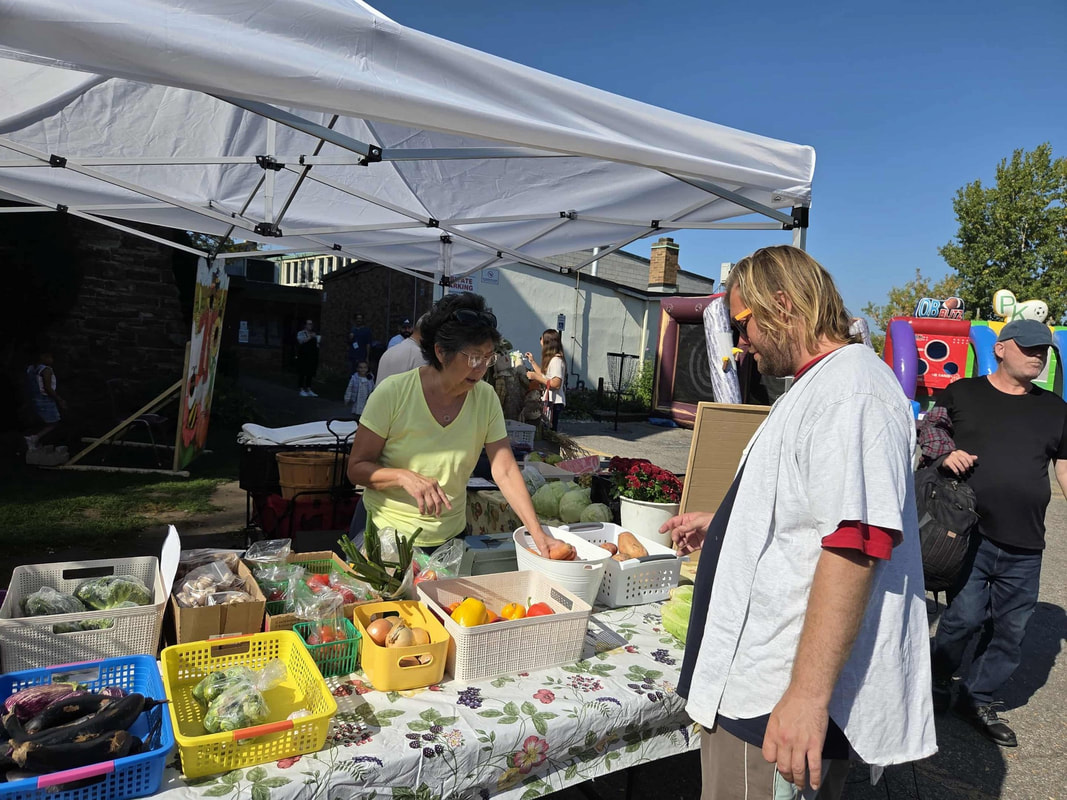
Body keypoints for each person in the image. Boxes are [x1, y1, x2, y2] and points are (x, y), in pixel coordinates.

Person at [659, 245, 935, 797]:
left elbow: (857, 543)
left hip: (774, 694)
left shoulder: (850, 392)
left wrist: (806, 698)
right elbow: (810, 509)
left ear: (782, 305)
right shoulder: (820, 385)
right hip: (761, 683)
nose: (742, 342)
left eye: (743, 322)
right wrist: (726, 523)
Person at [346, 292, 574, 558]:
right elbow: (357, 468)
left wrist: (538, 534)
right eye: (473, 357)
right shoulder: (393, 393)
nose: (481, 369)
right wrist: (402, 476)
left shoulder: (485, 397)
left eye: (487, 358)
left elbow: (505, 469)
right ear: (441, 352)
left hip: (448, 541)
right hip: (386, 538)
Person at [927, 318, 1067, 747]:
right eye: (1028, 347)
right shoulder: (962, 392)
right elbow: (929, 431)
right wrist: (947, 454)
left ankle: (978, 697)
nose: (1038, 356)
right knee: (964, 618)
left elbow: (1063, 463)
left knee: (1010, 630)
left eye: (1043, 350)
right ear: (1002, 348)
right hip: (969, 534)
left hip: (1026, 539)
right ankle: (934, 683)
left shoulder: (1056, 408)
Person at [525, 329, 566, 431]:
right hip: (551, 401)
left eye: (541, 339)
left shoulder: (556, 361)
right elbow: (545, 377)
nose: (540, 341)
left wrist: (535, 377)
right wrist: (532, 362)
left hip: (554, 403)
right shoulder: (553, 359)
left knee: (549, 431)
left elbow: (555, 384)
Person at [24, 350, 66, 449]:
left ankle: (37, 442)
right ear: (43, 357)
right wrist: (59, 399)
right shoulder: (46, 370)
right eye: (50, 357)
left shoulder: (30, 369)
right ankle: (34, 438)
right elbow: (48, 388)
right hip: (45, 400)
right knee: (54, 422)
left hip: (34, 398)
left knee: (43, 421)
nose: (52, 360)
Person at [377, 313, 429, 383]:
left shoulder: (415, 349)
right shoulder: (395, 342)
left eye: (409, 328)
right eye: (404, 328)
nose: (407, 330)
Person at [295, 319, 321, 397]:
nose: (310, 326)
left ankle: (309, 389)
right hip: (303, 355)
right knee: (302, 372)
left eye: (311, 324)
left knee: (310, 372)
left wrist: (318, 340)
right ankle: (301, 389)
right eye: (309, 324)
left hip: (312, 356)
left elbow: (317, 345)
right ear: (305, 325)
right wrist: (310, 337)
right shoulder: (301, 333)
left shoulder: (314, 334)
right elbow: (301, 341)